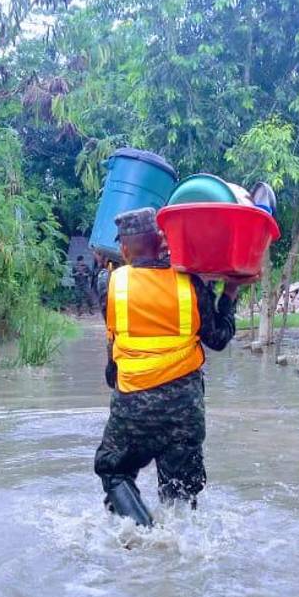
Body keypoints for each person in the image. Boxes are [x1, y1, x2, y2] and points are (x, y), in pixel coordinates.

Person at [94, 207, 240, 526]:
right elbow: (218, 338)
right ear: (162, 241)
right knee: (180, 492)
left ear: (124, 250)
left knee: (113, 470)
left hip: (133, 407)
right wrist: (229, 293)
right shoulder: (191, 283)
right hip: (184, 411)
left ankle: (144, 535)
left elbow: (113, 326)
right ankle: (179, 544)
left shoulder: (110, 283)